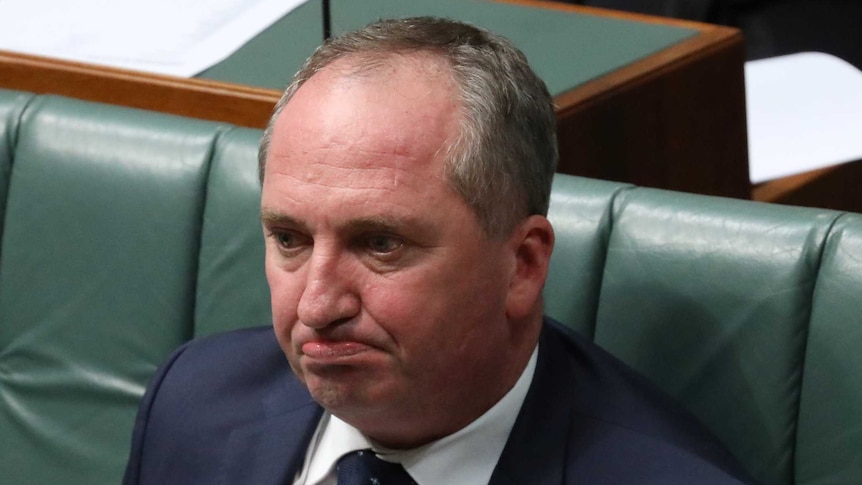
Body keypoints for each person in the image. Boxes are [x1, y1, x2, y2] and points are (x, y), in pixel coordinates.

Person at [123, 17, 756, 484]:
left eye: (379, 244)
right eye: (290, 239)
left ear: (522, 264)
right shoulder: (193, 404)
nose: (316, 304)